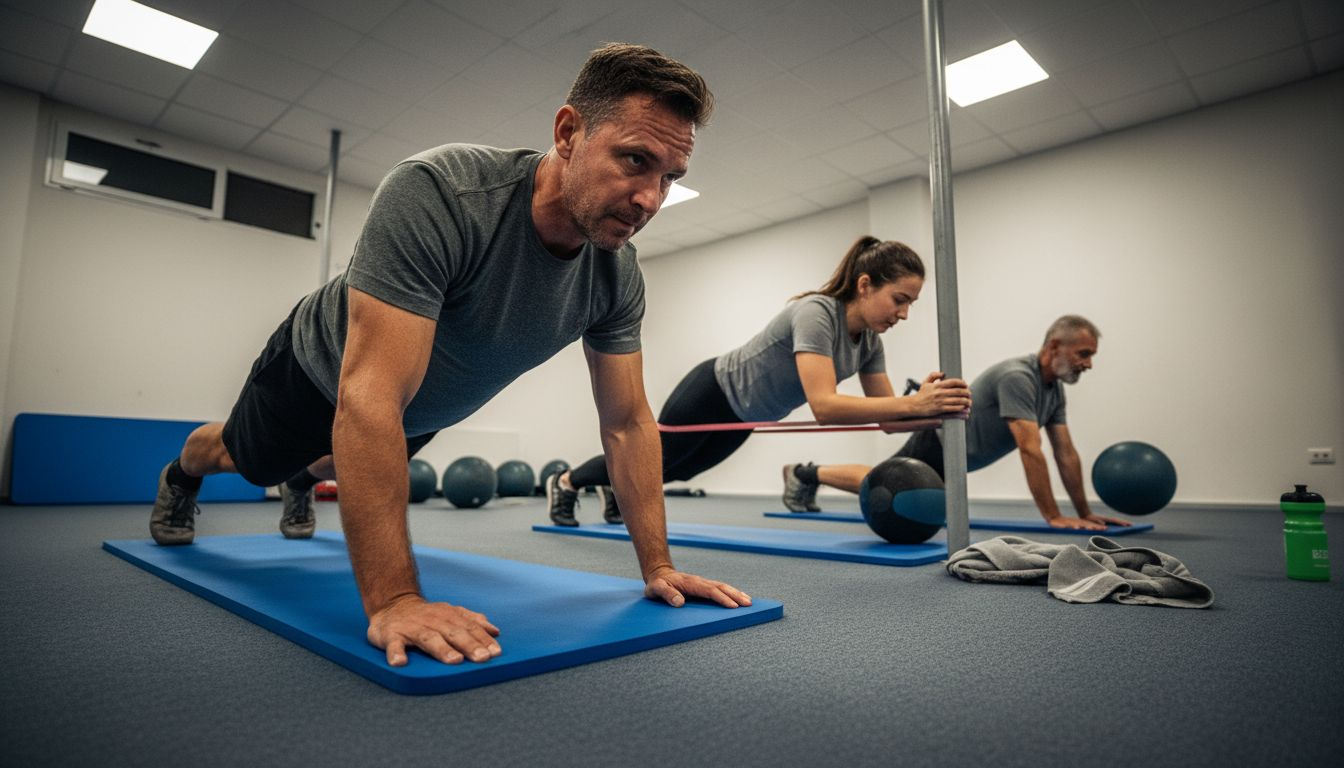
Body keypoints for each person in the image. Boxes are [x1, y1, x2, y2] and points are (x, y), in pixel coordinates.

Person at [148, 43, 752, 668]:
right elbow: (369, 396)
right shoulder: (443, 194)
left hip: (418, 408)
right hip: (316, 370)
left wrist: (659, 566)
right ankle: (181, 475)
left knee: (336, 459)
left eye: (669, 177)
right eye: (635, 160)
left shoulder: (616, 276)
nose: (650, 198)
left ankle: (305, 478)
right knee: (245, 460)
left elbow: (627, 423)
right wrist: (396, 600)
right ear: (568, 133)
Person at [548, 236, 972, 525]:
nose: (903, 314)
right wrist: (915, 405)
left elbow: (888, 422)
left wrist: (934, 409)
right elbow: (825, 406)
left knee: (677, 472)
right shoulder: (818, 313)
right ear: (865, 285)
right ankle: (567, 481)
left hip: (747, 415)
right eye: (899, 300)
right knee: (652, 461)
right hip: (713, 391)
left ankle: (610, 488)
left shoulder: (870, 345)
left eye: (911, 304)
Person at [790, 315, 1130, 531]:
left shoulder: (1053, 391)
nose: (1088, 364)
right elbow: (1030, 448)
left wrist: (1084, 512)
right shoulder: (1018, 377)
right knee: (880, 484)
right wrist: (1053, 516)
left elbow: (1065, 453)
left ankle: (806, 473)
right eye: (1084, 354)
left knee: (883, 481)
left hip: (958, 458)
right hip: (937, 444)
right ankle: (804, 473)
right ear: (1054, 346)